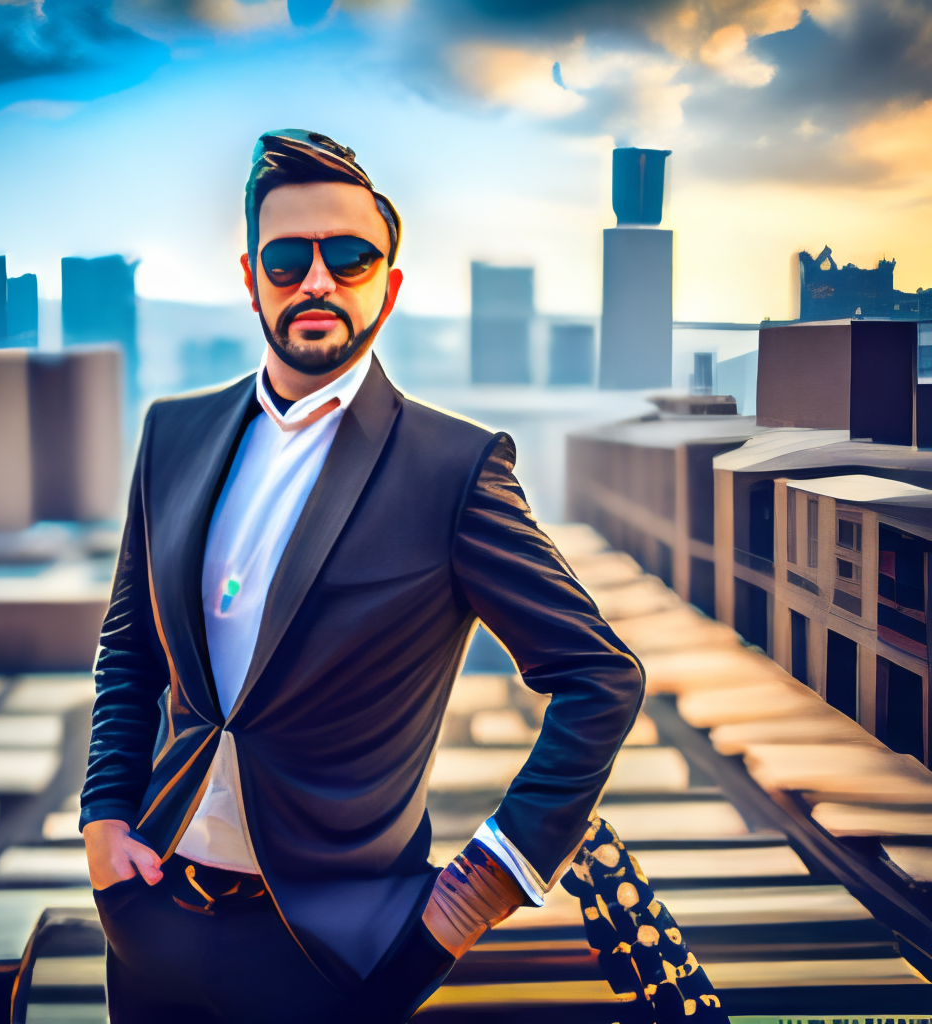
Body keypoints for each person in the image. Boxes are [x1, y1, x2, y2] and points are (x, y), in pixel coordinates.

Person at [80, 128, 645, 1023]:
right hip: (152, 920)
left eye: (349, 258)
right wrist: (104, 818)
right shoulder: (172, 434)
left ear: (390, 284)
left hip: (337, 954)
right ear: (248, 274)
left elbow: (601, 677)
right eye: (287, 257)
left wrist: (485, 884)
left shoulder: (453, 468)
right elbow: (130, 647)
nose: (317, 282)